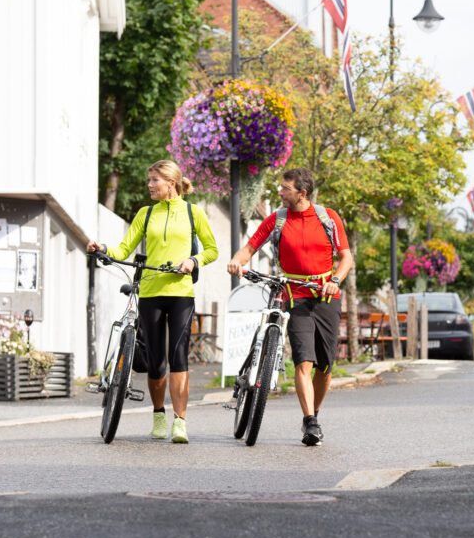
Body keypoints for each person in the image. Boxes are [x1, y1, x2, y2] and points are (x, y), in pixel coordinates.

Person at [86, 160, 218, 444]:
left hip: (181, 293)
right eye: (150, 180)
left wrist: (193, 260)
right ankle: (159, 415)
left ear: (171, 183)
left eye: (155, 180)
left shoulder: (193, 213)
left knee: (179, 357)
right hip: (150, 292)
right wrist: (103, 248)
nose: (149, 185)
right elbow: (124, 248)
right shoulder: (145, 214)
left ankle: (180, 422)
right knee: (156, 362)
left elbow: (212, 250)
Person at [227, 167, 352, 447]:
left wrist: (335, 279)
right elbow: (249, 248)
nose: (280, 192)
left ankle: (314, 412)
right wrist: (238, 261)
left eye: (285, 189)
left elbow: (345, 258)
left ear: (302, 193)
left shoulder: (328, 218)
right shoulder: (277, 219)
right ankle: (310, 421)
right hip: (295, 296)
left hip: (326, 295)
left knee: (326, 366)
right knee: (303, 360)